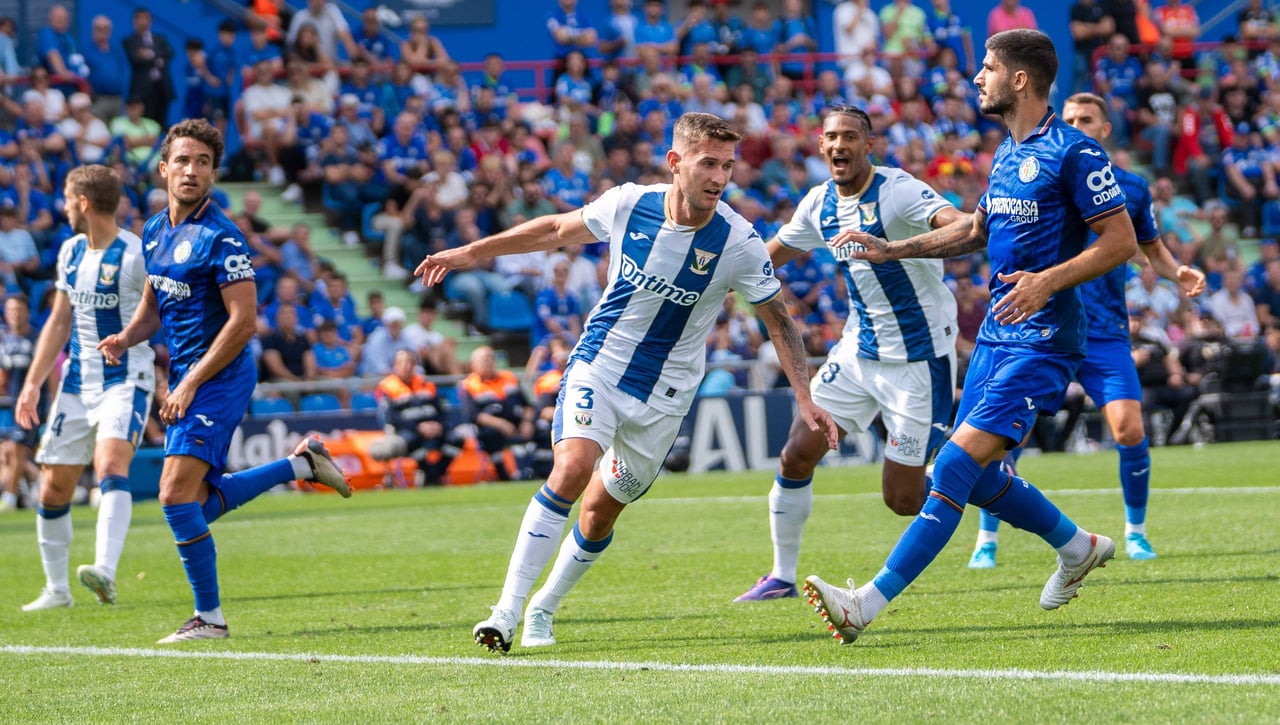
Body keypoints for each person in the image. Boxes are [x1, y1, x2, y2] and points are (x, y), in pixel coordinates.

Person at [415, 112, 838, 651]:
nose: (718, 177)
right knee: (570, 468)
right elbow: (553, 229)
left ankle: (544, 606)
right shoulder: (629, 203)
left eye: (728, 166)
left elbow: (777, 317)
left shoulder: (738, 241)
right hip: (602, 363)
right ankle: (505, 611)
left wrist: (804, 396)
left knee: (599, 511)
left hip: (666, 396)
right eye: (708, 163)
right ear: (675, 162)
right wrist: (472, 253)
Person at [802, 29, 1138, 643]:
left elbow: (1122, 243)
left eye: (986, 68)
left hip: (1043, 341)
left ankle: (865, 604)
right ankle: (1077, 545)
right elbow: (977, 229)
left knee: (954, 463)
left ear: (1019, 80)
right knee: (975, 476)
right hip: (994, 338)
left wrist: (1046, 283)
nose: (976, 78)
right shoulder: (1009, 153)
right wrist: (892, 249)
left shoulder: (1075, 152)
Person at [97, 119, 351, 643]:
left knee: (172, 495)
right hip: (191, 376)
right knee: (193, 501)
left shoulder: (222, 236)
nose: (192, 170)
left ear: (214, 172)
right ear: (165, 168)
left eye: (203, 162)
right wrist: (127, 337)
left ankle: (209, 618)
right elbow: (155, 302)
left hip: (220, 376)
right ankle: (300, 463)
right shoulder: (152, 229)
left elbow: (243, 323)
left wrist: (189, 383)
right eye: (183, 161)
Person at [733, 105, 968, 602]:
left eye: (850, 137)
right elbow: (772, 253)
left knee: (902, 500)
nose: (839, 146)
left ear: (869, 145)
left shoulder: (898, 191)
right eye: (831, 138)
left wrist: (893, 248)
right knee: (797, 453)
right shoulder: (818, 203)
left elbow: (965, 228)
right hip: (858, 354)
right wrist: (713, 279)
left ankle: (982, 481)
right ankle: (781, 576)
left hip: (918, 361)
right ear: (820, 146)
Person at [966, 92, 1207, 570]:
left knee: (1129, 426)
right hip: (1041, 328)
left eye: (1087, 119)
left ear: (1104, 129)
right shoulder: (1046, 166)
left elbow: (1149, 245)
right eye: (1070, 117)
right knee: (999, 438)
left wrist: (1176, 271)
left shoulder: (1131, 188)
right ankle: (986, 539)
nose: (1076, 124)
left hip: (1104, 334)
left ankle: (1135, 533)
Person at [14, 166, 155, 609]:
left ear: (84, 203)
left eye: (66, 199)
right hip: (76, 383)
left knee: (111, 464)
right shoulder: (71, 251)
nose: (62, 206)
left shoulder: (135, 255)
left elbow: (159, 314)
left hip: (125, 376)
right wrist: (33, 383)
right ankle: (57, 590)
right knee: (52, 489)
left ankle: (105, 572)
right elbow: (59, 320)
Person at [0, 294, 40, 513]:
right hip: (9, 407)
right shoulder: (4, 341)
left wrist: (51, 402)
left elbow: (50, 373)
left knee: (17, 449)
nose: (14, 314)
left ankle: (10, 496)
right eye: (10, 310)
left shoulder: (37, 339)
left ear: (27, 312)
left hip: (32, 406)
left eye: (18, 309)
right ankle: (36, 486)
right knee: (12, 452)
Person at [121, 8, 175, 130]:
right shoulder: (129, 40)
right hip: (142, 92)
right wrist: (158, 58)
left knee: (162, 124)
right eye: (140, 18)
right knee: (144, 124)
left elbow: (169, 53)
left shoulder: (160, 39)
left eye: (146, 18)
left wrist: (149, 54)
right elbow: (136, 59)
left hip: (161, 89)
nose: (143, 21)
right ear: (134, 21)